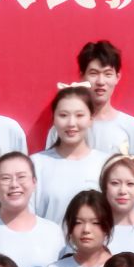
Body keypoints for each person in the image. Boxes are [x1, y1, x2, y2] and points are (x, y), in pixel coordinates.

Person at [33, 86, 112, 223]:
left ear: (91, 119)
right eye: (63, 115)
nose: (71, 123)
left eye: (79, 115)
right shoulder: (36, 164)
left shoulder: (106, 164)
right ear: (54, 119)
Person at [56, 40, 134, 155]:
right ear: (82, 76)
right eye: (93, 73)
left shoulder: (133, 127)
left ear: (117, 77)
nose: (100, 82)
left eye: (107, 74)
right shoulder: (66, 127)